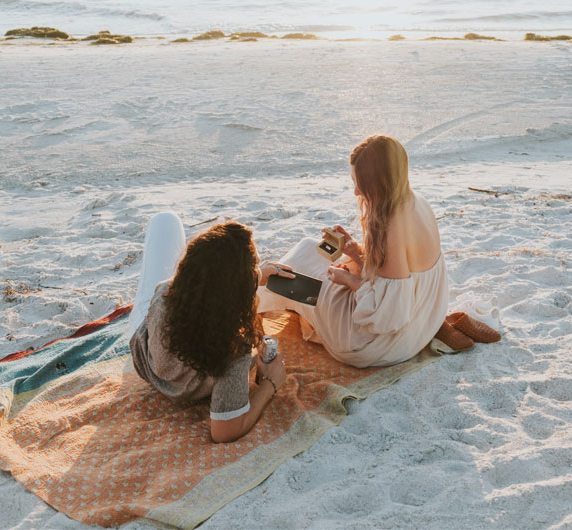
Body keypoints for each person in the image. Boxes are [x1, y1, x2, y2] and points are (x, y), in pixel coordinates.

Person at [257, 135, 448, 367]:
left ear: (379, 184)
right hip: (423, 322)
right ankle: (268, 295)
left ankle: (251, 299)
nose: (357, 192)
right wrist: (356, 252)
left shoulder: (393, 224)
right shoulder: (416, 201)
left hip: (375, 344)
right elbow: (397, 274)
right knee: (310, 247)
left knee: (298, 273)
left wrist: (347, 280)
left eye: (361, 184)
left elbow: (388, 315)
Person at [128, 213, 292, 443]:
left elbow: (208, 288)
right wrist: (270, 384)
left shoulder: (165, 295)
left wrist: (253, 276)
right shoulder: (233, 348)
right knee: (166, 221)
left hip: (144, 352)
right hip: (169, 366)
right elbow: (224, 431)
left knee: (165, 221)